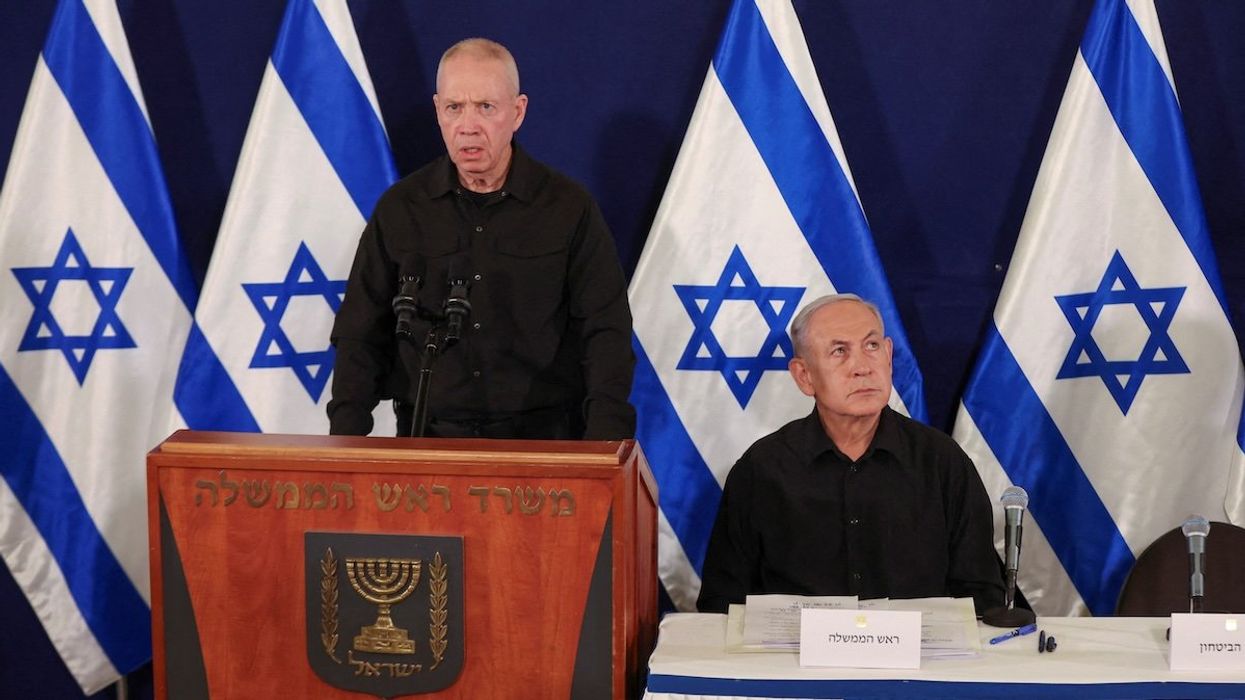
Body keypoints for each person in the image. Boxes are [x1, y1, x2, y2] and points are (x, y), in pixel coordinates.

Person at [328, 38, 635, 441]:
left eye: (485, 107)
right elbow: (359, 334)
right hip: (428, 440)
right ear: (438, 111)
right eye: (455, 107)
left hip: (542, 441)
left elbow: (606, 333)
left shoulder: (567, 208)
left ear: (517, 111)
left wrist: (604, 451)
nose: (468, 125)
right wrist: (345, 447)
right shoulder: (401, 209)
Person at [696, 294, 1005, 614]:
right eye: (839, 351)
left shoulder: (942, 462)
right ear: (804, 376)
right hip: (791, 661)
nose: (861, 367)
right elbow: (723, 604)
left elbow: (981, 595)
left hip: (918, 661)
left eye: (871, 347)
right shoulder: (762, 469)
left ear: (888, 355)